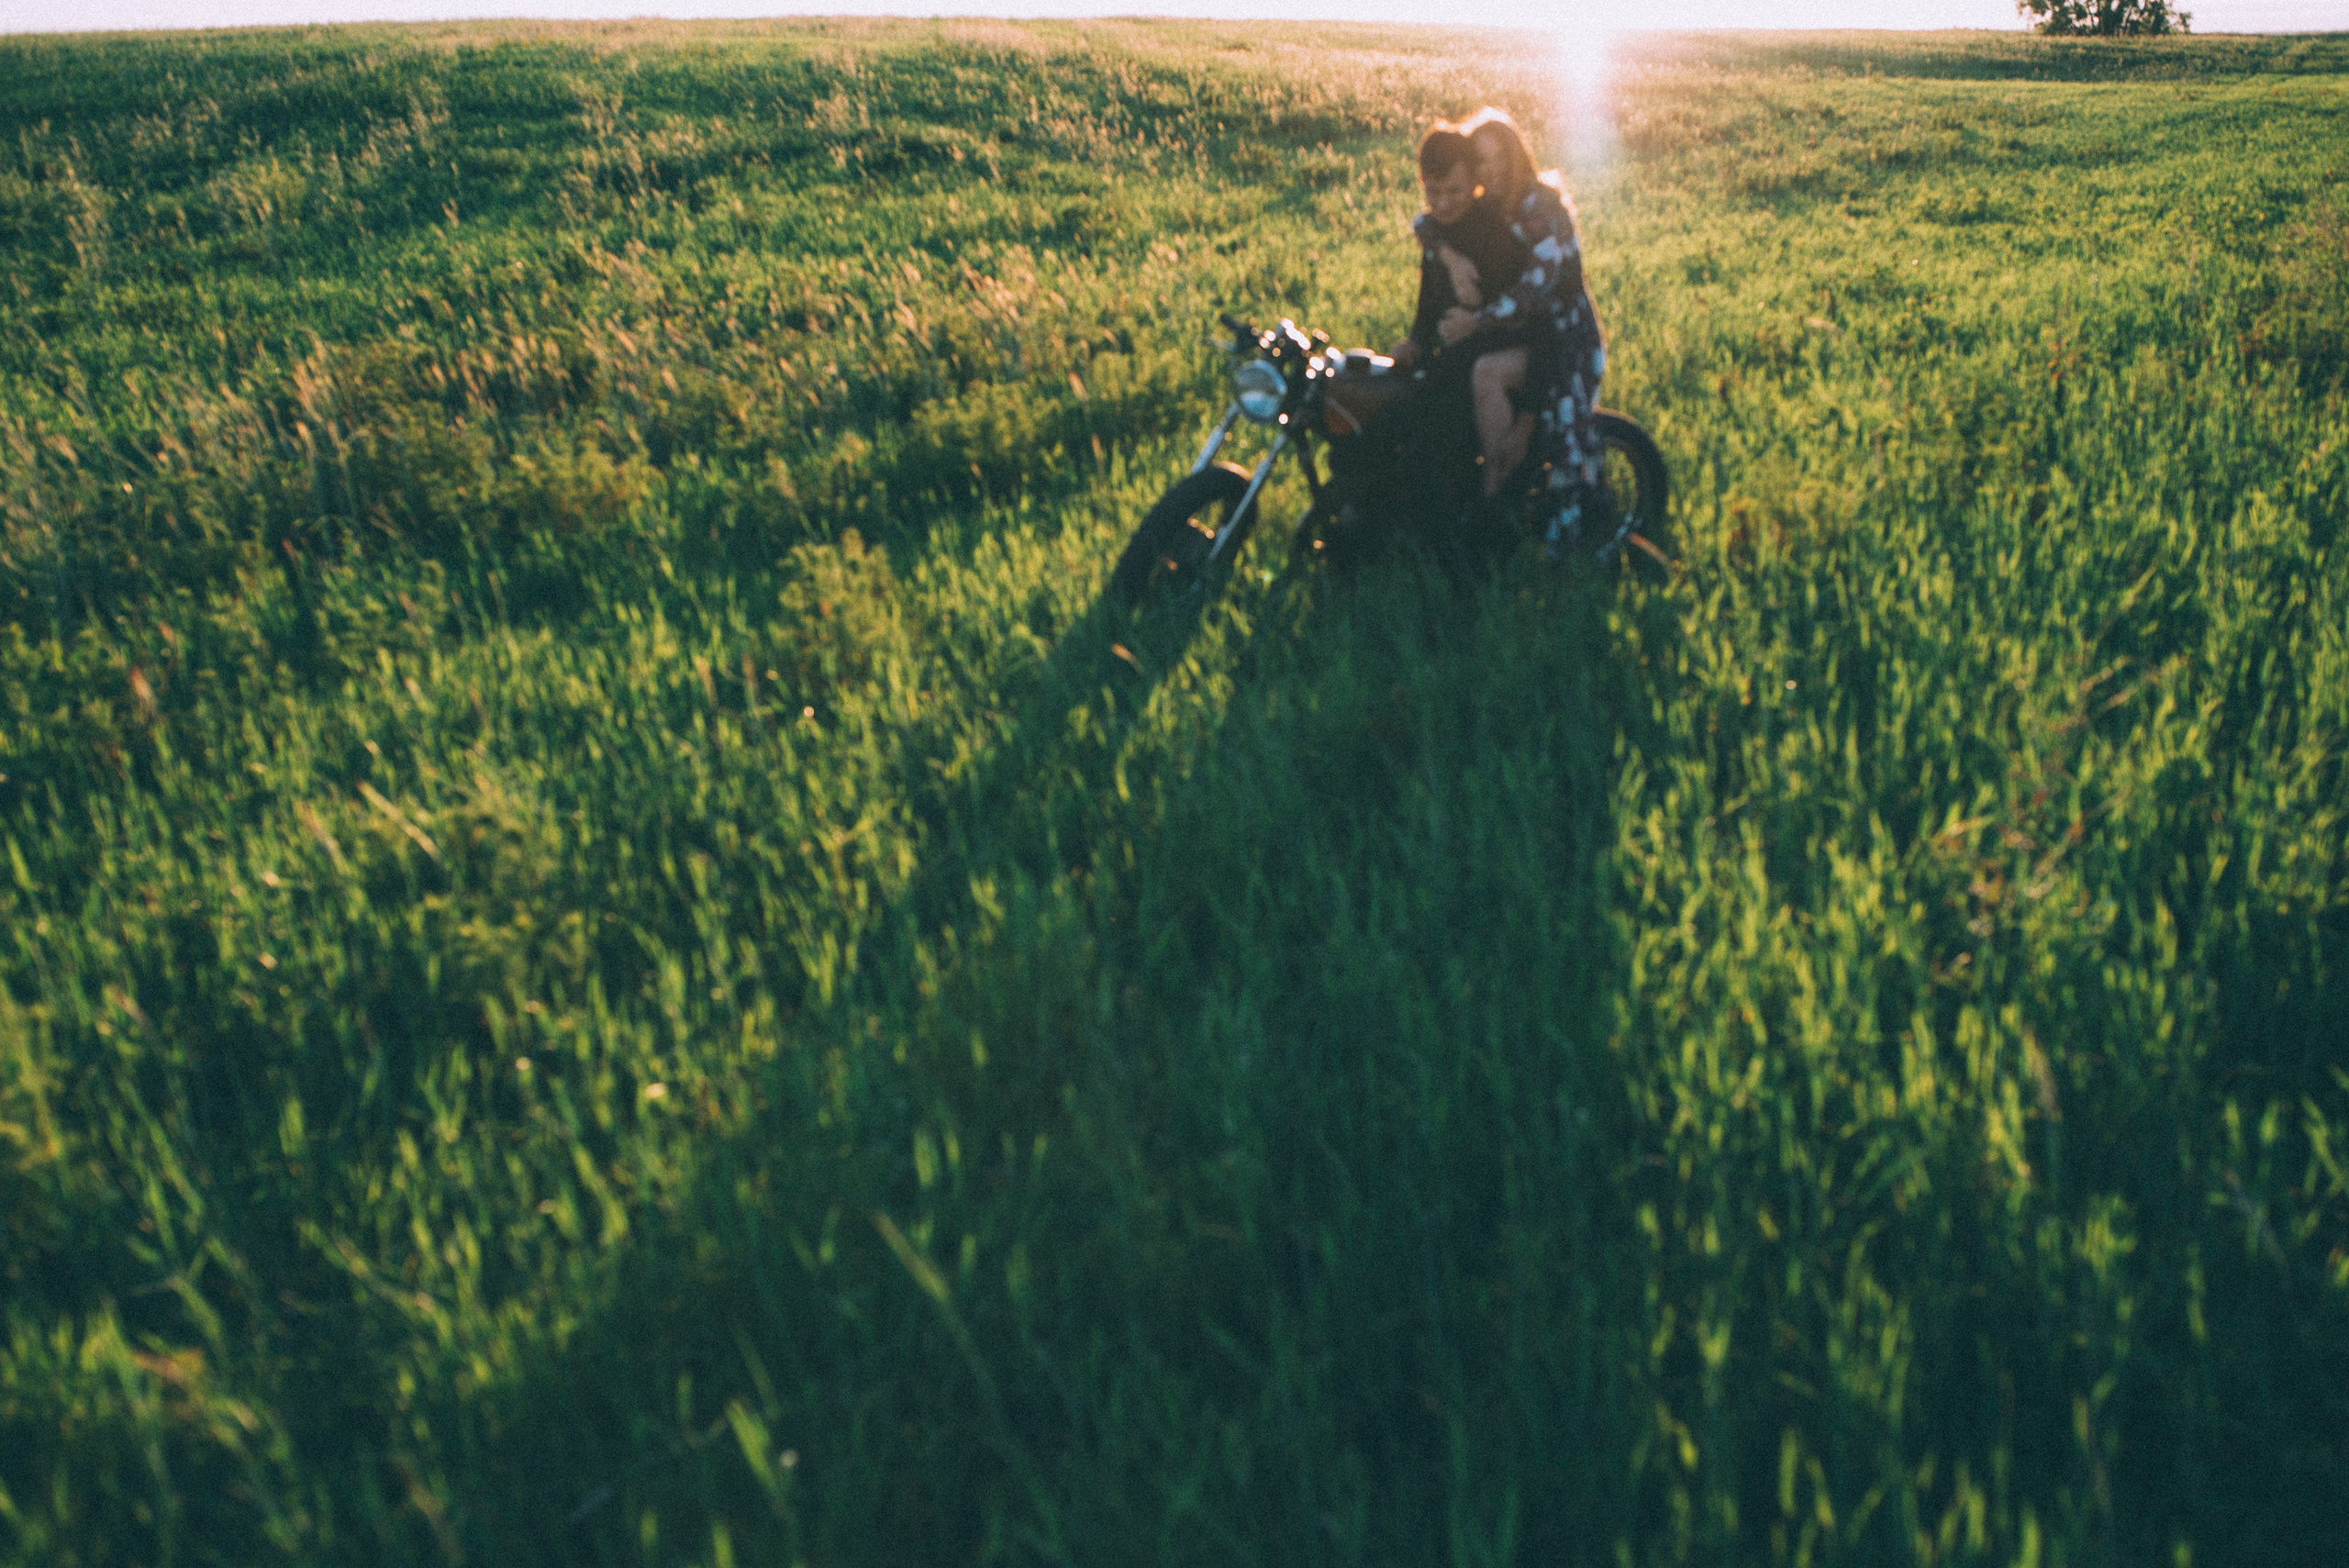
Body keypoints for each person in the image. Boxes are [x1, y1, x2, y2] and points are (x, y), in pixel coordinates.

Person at [1439, 107, 1608, 546]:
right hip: (1528, 336)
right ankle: (1494, 499)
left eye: (1499, 159)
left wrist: (1476, 321)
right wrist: (1447, 253)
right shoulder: (1491, 209)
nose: (1490, 170)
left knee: (1562, 433)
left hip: (1568, 338)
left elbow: (1534, 289)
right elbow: (1431, 218)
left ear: (1517, 159)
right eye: (1481, 161)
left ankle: (1571, 543)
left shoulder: (1544, 208)